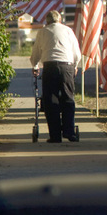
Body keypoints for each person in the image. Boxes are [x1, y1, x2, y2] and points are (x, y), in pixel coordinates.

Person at [30, 10, 82, 143]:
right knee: (68, 98)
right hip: (67, 66)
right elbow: (76, 52)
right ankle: (69, 132)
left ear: (47, 21)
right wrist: (75, 66)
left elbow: (36, 52)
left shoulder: (42, 32)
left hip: (50, 67)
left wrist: (35, 66)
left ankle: (55, 135)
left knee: (51, 101)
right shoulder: (68, 31)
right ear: (60, 20)